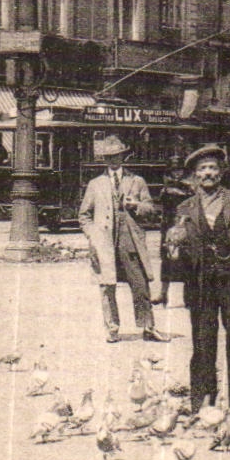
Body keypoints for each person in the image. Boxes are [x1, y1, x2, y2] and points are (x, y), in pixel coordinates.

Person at [166, 143, 230, 413]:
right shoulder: (185, 208)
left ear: (222, 172)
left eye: (213, 168)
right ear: (194, 175)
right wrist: (175, 248)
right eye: (202, 169)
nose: (208, 173)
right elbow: (174, 253)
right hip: (201, 284)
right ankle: (203, 404)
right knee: (203, 344)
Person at [78, 136, 163, 343]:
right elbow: (84, 215)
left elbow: (151, 209)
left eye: (116, 155)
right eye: (109, 157)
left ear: (123, 156)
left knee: (140, 284)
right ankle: (112, 329)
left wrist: (138, 206)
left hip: (130, 241)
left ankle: (148, 327)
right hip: (105, 243)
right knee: (107, 286)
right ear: (104, 159)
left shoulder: (137, 181)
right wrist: (93, 235)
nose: (113, 160)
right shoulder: (95, 184)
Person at [154, 156, 195, 308]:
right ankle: (163, 293)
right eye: (174, 171)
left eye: (179, 170)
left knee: (187, 261)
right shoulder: (166, 189)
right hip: (168, 227)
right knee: (166, 261)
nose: (177, 173)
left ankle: (189, 296)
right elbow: (162, 208)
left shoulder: (190, 188)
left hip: (185, 227)